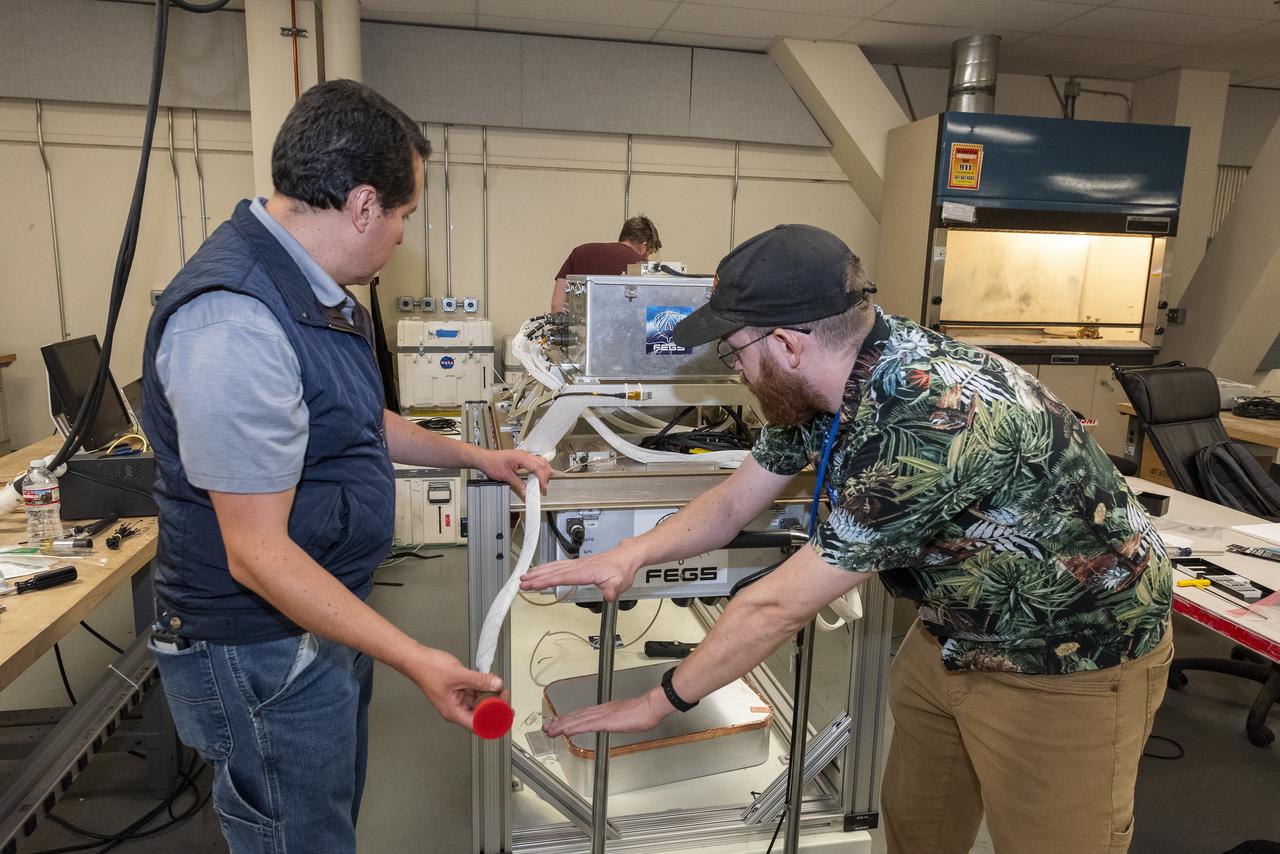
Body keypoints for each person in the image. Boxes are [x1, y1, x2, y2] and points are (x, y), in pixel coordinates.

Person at [521, 224, 1173, 854]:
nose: (736, 372)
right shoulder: (827, 381)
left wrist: (659, 702)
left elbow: (776, 606)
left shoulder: (924, 420)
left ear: (787, 342)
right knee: (919, 825)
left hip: (1069, 654)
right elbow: (731, 502)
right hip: (951, 629)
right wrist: (627, 556)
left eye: (734, 351)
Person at [141, 80, 550, 852]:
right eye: (401, 216)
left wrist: (476, 457)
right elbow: (255, 553)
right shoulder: (236, 321)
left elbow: (354, 419)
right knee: (298, 839)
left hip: (314, 615)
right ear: (364, 205)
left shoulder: (316, 292)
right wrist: (414, 658)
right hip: (258, 642)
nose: (400, 235)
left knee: (322, 821)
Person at [550, 215, 661, 313]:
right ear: (643, 246)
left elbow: (557, 306)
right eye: (649, 253)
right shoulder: (641, 265)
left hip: (579, 334)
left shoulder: (579, 252)